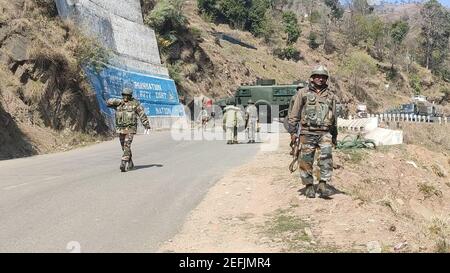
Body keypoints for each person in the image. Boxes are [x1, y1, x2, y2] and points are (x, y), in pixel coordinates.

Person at [287, 65, 339, 198]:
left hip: (325, 132)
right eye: (317, 76)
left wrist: (334, 135)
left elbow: (334, 117)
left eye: (323, 77)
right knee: (305, 160)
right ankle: (309, 185)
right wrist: (293, 133)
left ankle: (323, 184)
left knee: (326, 158)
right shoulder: (302, 93)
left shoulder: (331, 96)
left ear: (326, 79)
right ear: (312, 78)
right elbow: (294, 114)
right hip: (307, 132)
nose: (320, 79)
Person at [106, 87, 151, 172]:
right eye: (124, 95)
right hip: (121, 129)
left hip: (131, 128)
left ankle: (123, 162)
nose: (125, 97)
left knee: (127, 145)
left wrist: (146, 125)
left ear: (130, 96)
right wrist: (117, 101)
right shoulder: (119, 103)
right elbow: (108, 102)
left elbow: (142, 114)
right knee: (124, 147)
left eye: (127, 95)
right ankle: (130, 162)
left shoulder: (135, 104)